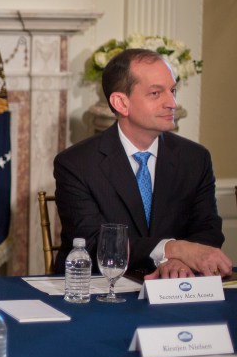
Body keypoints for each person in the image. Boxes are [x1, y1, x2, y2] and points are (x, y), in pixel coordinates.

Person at [54, 48, 232, 279]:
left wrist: (176, 261)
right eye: (156, 93)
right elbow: (93, 244)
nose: (172, 103)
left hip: (177, 289)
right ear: (121, 102)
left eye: (173, 90)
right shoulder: (76, 164)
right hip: (100, 294)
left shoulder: (195, 158)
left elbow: (207, 229)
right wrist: (173, 249)